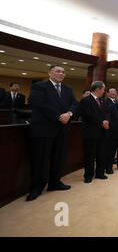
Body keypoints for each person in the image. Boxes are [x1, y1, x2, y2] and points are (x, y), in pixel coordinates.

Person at [26, 65, 79, 201]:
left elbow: (75, 103)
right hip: (43, 129)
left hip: (62, 130)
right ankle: (36, 188)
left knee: (59, 158)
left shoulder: (68, 88)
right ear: (49, 73)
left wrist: (69, 113)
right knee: (40, 160)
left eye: (63, 72)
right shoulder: (39, 86)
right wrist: (60, 116)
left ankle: (55, 183)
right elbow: (38, 103)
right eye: (58, 71)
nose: (61, 74)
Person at [79, 81, 110, 183]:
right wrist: (101, 122)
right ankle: (88, 175)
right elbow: (88, 115)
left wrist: (106, 120)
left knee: (101, 154)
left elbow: (106, 113)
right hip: (90, 132)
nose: (104, 91)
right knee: (90, 155)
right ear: (97, 89)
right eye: (103, 89)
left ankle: (100, 173)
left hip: (102, 133)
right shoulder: (86, 100)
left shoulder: (103, 101)